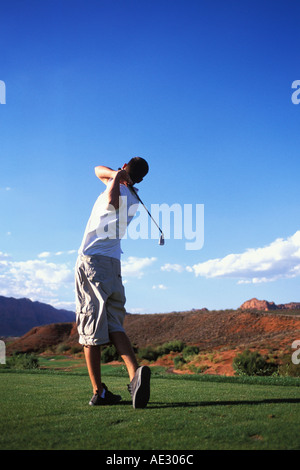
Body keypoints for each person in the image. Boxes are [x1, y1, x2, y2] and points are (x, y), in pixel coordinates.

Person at [75, 157, 151, 408]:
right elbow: (98, 169)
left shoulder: (118, 191)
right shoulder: (133, 197)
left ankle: (99, 391)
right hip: (113, 266)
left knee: (90, 328)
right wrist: (118, 175)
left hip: (93, 262)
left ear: (126, 167)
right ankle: (134, 375)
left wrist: (117, 177)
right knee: (114, 323)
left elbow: (109, 200)